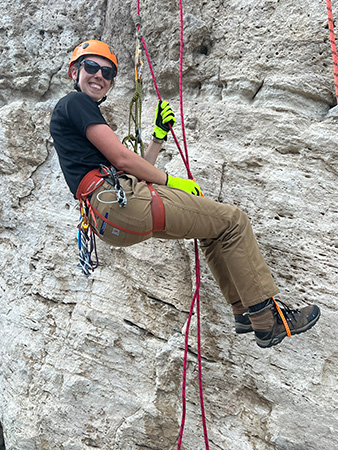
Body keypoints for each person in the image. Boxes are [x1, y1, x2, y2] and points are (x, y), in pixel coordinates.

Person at [50, 39, 320, 348]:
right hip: (121, 203)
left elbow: (132, 171)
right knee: (233, 221)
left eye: (107, 72)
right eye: (92, 67)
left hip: (111, 216)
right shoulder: (75, 103)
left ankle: (245, 312)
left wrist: (158, 137)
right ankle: (268, 320)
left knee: (214, 231)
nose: (99, 76)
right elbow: (123, 160)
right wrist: (172, 181)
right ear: (75, 70)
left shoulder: (75, 115)